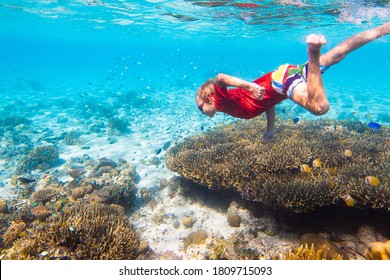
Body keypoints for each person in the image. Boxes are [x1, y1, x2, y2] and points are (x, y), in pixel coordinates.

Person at [196, 22, 390, 141]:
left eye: (199, 106)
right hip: (286, 74)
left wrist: (249, 85)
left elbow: (220, 78)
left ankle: (313, 53)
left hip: (281, 83)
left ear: (208, 99)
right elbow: (265, 104)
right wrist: (270, 128)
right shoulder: (232, 102)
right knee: (339, 54)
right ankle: (385, 28)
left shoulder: (221, 102)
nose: (201, 112)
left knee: (320, 107)